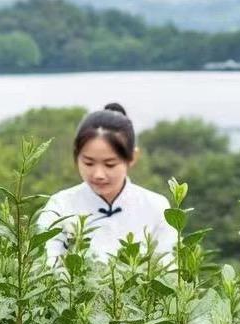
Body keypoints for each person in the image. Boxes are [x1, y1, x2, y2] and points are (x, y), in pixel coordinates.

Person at [40, 103, 174, 262]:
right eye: (88, 163)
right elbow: (48, 265)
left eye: (110, 164)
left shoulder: (156, 207)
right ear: (76, 157)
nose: (98, 174)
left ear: (132, 157)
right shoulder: (60, 206)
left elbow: (169, 270)